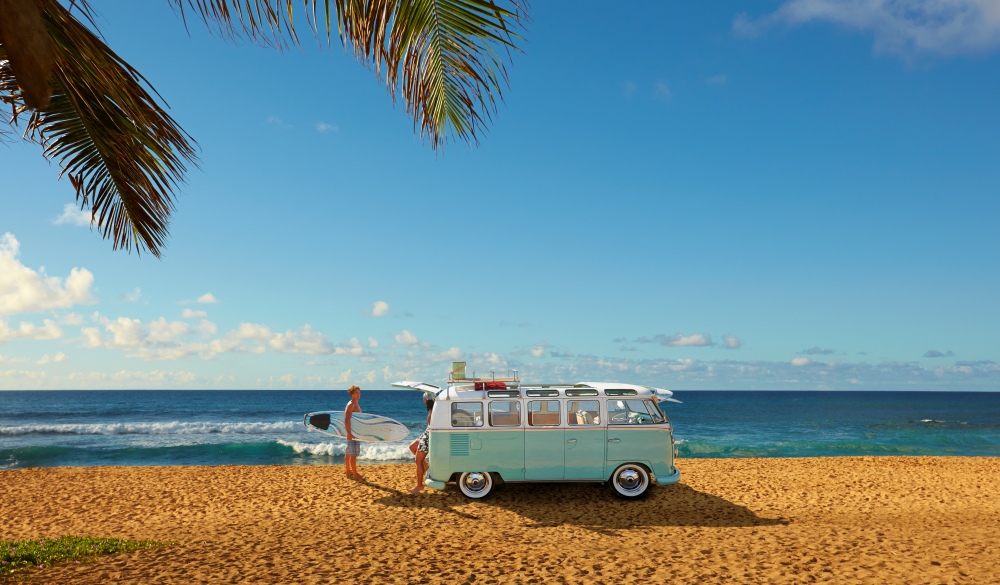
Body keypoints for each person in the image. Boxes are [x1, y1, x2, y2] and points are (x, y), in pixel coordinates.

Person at [408, 392, 433, 493]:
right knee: (412, 447)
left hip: (427, 437)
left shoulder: (433, 411)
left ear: (426, 400)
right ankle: (425, 465)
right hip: (425, 434)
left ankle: (419, 485)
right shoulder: (433, 409)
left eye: (423, 399)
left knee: (418, 461)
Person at [344, 385, 365, 480]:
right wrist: (349, 433)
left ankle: (348, 471)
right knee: (353, 454)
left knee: (349, 452)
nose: (358, 395)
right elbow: (346, 420)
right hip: (352, 432)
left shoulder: (356, 403)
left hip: (354, 432)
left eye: (359, 393)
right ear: (352, 394)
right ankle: (355, 474)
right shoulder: (351, 404)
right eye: (356, 393)